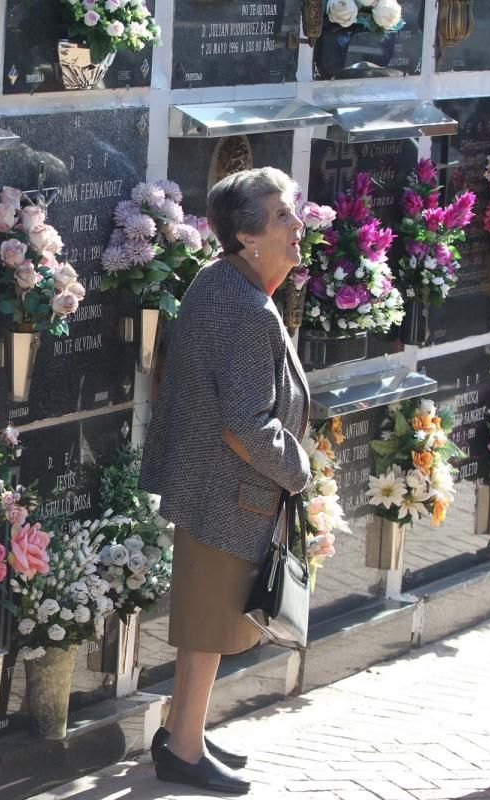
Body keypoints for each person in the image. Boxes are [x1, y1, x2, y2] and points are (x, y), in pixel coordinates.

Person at [139, 167, 313, 795]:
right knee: (208, 626)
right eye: (284, 217)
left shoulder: (225, 284)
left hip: (213, 485)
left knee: (206, 627)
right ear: (248, 237)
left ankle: (183, 731)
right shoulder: (243, 310)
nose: (299, 226)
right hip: (225, 489)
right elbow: (245, 424)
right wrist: (299, 470)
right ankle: (182, 749)